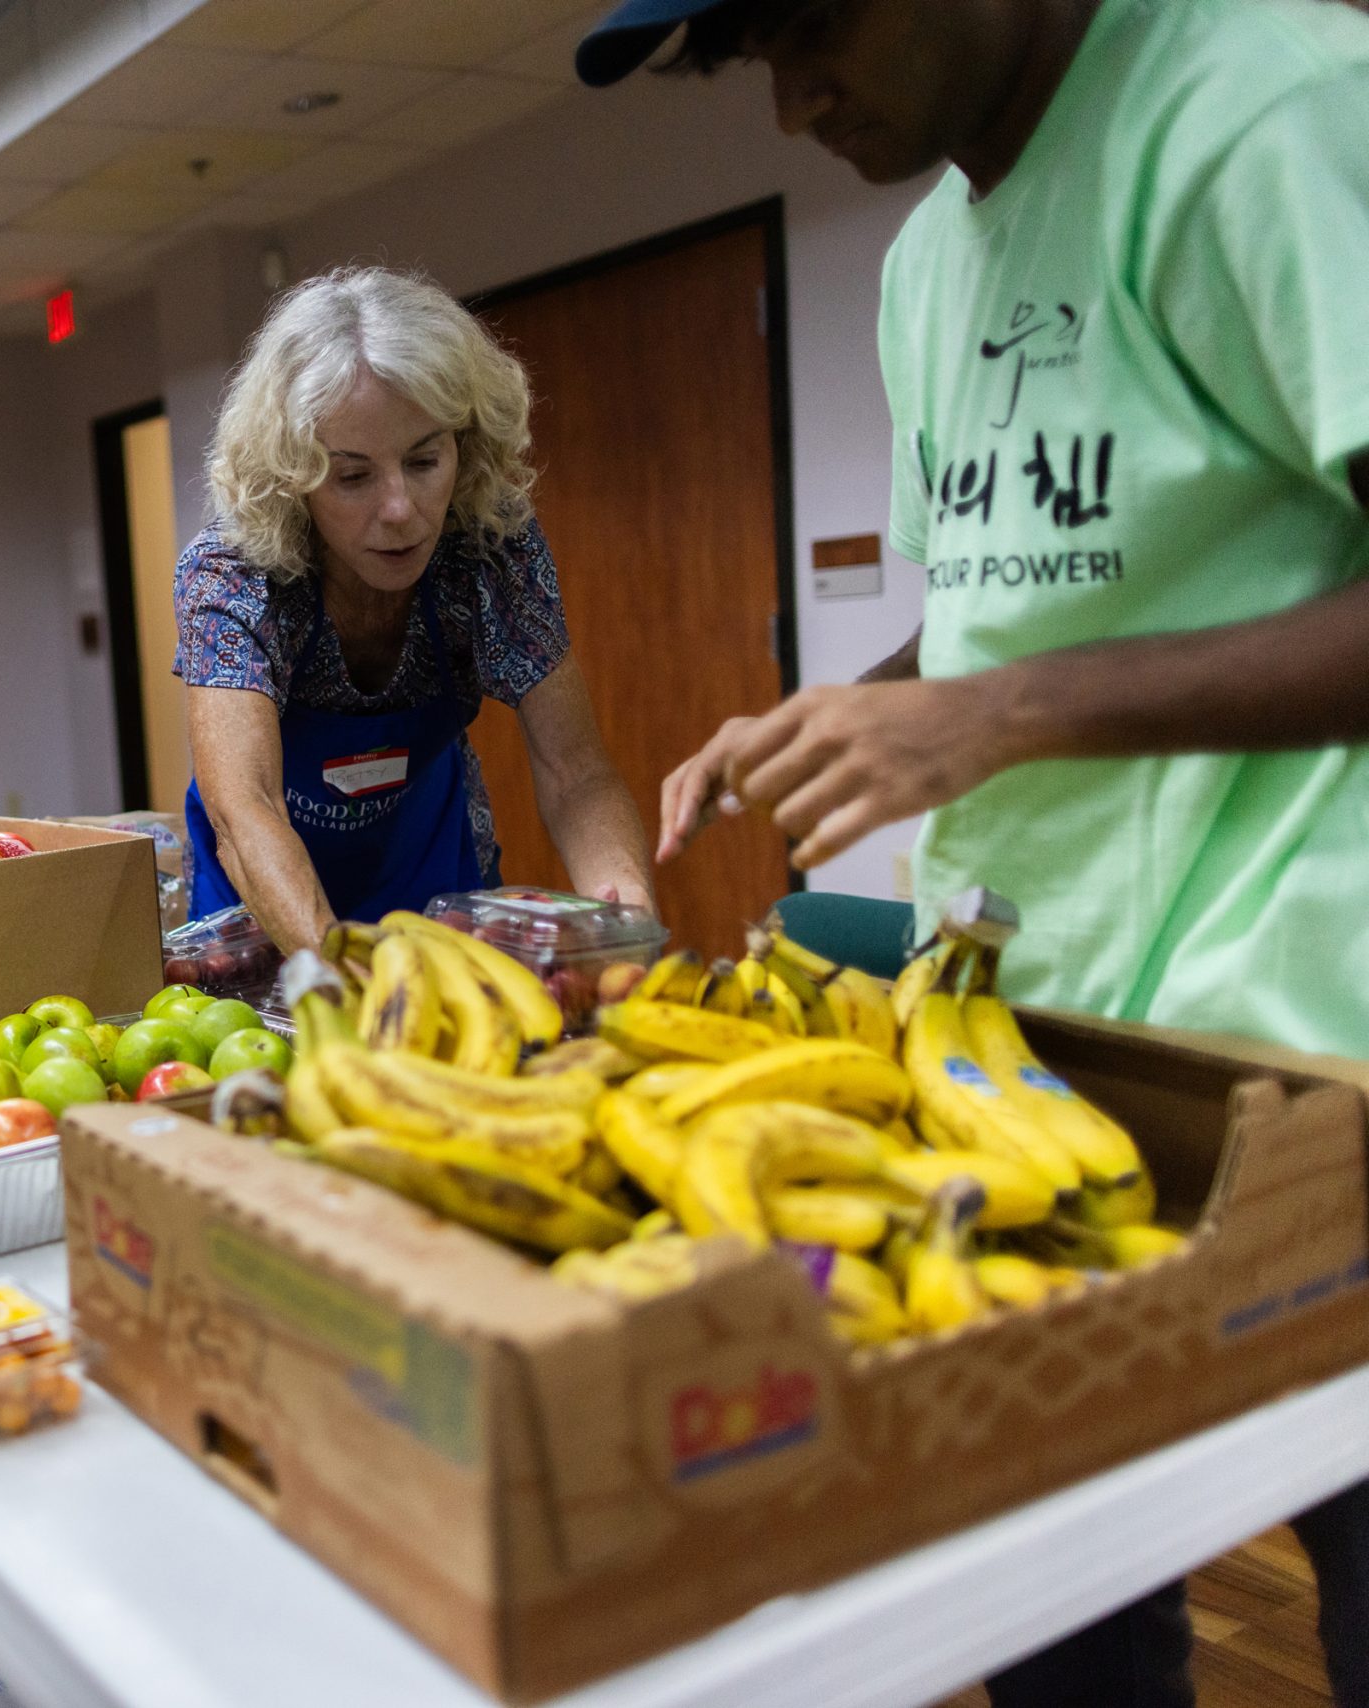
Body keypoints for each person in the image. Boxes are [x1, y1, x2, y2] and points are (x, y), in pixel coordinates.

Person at [578, 2, 1369, 1704]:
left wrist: (1001, 721)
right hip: (1041, 1062)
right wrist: (841, 712)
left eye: (808, 23)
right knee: (1066, 1637)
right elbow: (1015, 618)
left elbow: (1022, 690)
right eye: (744, 62)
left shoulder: (1272, 107)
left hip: (1322, 1065)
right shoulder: (926, 263)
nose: (792, 104)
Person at [176, 266, 654, 953]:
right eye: (352, 476)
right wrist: (335, 966)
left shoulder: (492, 545)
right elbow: (245, 808)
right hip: (265, 905)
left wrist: (621, 910)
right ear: (294, 477)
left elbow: (575, 771)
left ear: (465, 444)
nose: (399, 510)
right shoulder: (232, 572)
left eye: (425, 461)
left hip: (433, 876)